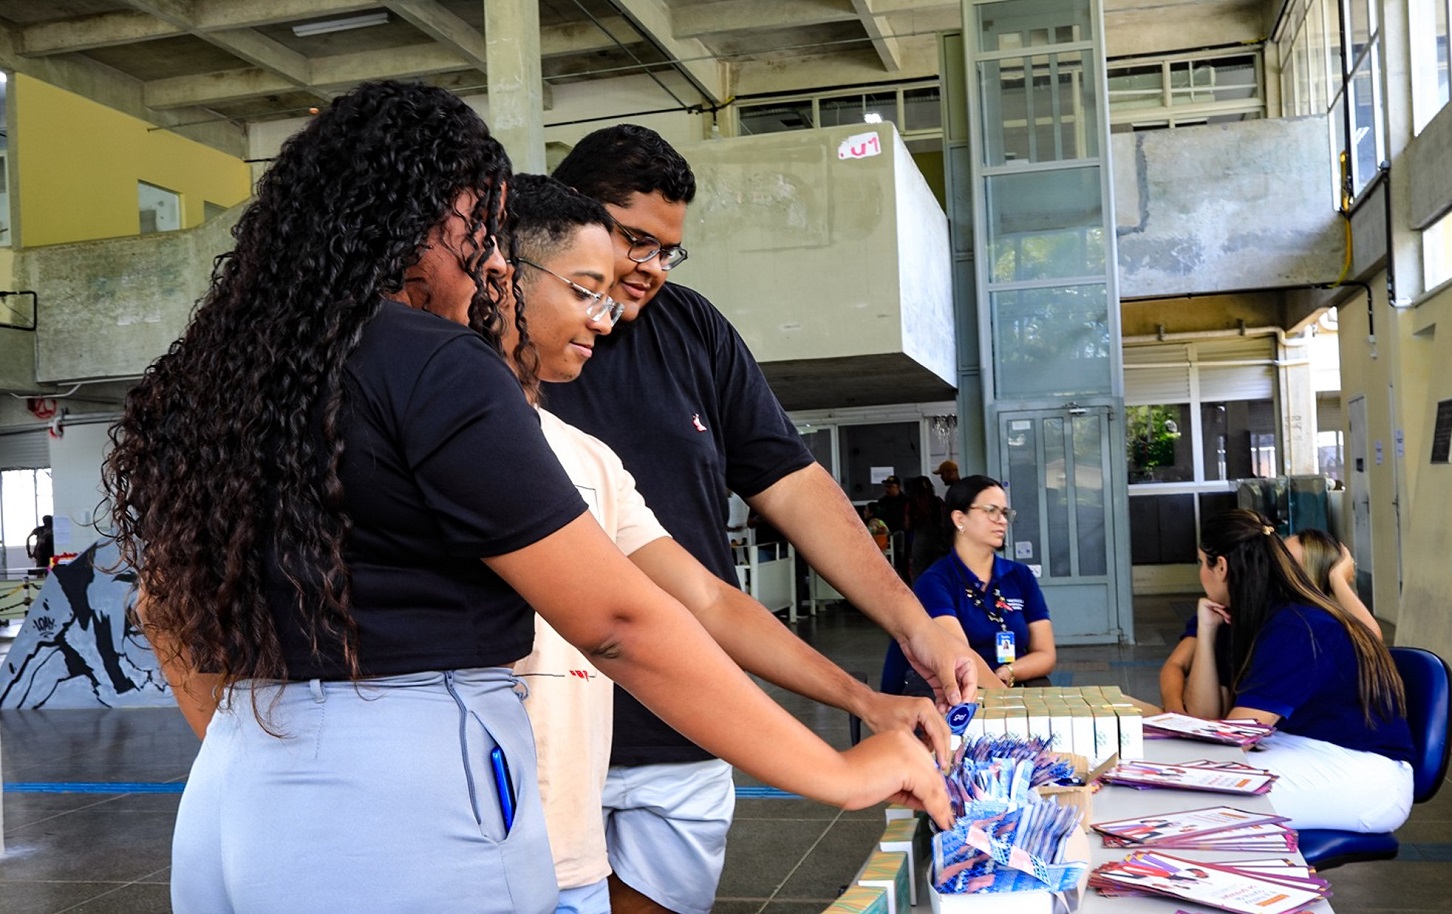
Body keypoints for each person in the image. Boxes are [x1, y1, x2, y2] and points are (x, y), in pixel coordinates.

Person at [102, 82, 951, 914]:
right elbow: (619, 622)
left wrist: (282, 756)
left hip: (237, 787)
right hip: (406, 799)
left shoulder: (208, 377)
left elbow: (168, 610)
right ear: (414, 219)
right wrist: (839, 772)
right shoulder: (433, 362)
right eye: (481, 231)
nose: (495, 263)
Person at [548, 124, 990, 914]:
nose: (646, 273)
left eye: (667, 252)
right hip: (543, 718)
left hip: (683, 719)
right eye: (634, 243)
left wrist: (909, 631)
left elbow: (724, 576)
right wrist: (845, 756)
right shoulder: (494, 390)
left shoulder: (687, 338)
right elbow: (618, 620)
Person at [1185, 509, 1412, 832]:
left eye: (1200, 562)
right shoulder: (1247, 618)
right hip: (1295, 748)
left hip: (1363, 773)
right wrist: (1207, 632)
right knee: (1189, 786)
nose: (1200, 573)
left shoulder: (1298, 627)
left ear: (1220, 566)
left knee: (1197, 798)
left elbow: (1236, 738)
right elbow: (1203, 714)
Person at [1159, 527, 1380, 716]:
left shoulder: (1303, 631)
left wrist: (1338, 580)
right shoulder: (1235, 615)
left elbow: (1370, 639)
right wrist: (1175, 714)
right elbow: (1181, 675)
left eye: (1287, 565)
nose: (1273, 568)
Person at [888, 475, 1056, 692]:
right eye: (990, 510)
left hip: (1011, 684)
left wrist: (1011, 672)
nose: (1002, 520)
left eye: (1004, 513)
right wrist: (1008, 702)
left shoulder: (1019, 575)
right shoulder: (936, 581)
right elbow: (959, 657)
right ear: (960, 519)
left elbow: (1045, 654)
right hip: (956, 691)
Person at [907, 475, 948, 580]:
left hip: (919, 537)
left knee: (919, 570)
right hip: (938, 538)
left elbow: (907, 524)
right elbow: (945, 520)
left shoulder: (912, 504)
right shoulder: (938, 502)